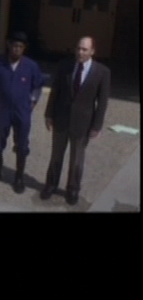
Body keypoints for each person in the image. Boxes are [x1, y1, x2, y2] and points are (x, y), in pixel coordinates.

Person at [41, 36, 110, 206]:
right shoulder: (65, 66)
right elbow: (55, 91)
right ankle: (51, 184)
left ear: (92, 51)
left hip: (82, 123)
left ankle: (72, 189)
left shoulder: (102, 72)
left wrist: (97, 126)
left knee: (77, 159)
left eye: (84, 49)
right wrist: (49, 114)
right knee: (56, 155)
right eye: (78, 48)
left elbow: (102, 102)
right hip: (61, 118)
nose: (80, 52)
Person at [0, 31, 44, 193]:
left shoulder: (31, 66)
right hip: (2, 110)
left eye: (20, 47)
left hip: (22, 112)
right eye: (14, 45)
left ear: (24, 48)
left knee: (22, 145)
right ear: (9, 45)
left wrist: (32, 104)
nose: (17, 49)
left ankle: (19, 178)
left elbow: (37, 87)